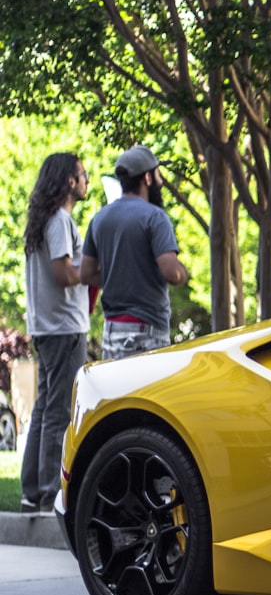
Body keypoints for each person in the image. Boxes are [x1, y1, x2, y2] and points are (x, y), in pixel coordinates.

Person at [19, 153, 91, 513]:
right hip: (64, 327)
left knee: (44, 408)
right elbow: (64, 275)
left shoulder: (42, 220)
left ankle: (32, 489)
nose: (86, 180)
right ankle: (49, 491)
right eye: (82, 174)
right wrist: (93, 269)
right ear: (68, 182)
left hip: (45, 327)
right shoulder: (60, 220)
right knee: (59, 411)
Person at [80, 145, 190, 360]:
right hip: (148, 330)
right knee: (149, 393)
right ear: (147, 178)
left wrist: (119, 277)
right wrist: (182, 272)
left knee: (119, 394)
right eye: (157, 174)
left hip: (112, 330)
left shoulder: (100, 219)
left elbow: (85, 274)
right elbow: (171, 272)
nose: (160, 181)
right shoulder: (155, 217)